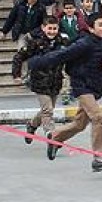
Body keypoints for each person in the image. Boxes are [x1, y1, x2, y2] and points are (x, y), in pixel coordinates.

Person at [30, 14, 102, 172]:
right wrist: (38, 62)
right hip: (81, 86)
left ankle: (55, 137)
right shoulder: (84, 43)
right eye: (100, 24)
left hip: (96, 86)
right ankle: (98, 157)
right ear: (91, 28)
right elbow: (62, 55)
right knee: (98, 117)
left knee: (79, 124)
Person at [12, 16, 69, 144]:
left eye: (55, 29)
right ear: (43, 28)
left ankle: (32, 125)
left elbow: (71, 55)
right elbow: (19, 57)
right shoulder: (36, 43)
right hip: (40, 81)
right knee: (47, 110)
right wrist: (16, 75)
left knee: (47, 109)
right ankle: (51, 134)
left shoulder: (63, 42)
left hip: (56, 81)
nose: (52, 31)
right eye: (49, 28)